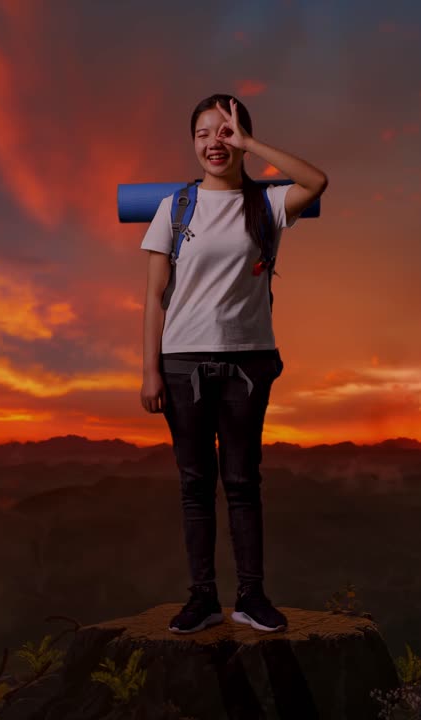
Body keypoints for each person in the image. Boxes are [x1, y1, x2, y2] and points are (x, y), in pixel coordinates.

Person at [139, 94, 328, 633]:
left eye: (225, 132)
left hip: (249, 361)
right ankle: (202, 598)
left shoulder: (266, 203)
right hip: (182, 362)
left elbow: (317, 182)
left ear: (241, 137)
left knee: (243, 481)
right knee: (195, 484)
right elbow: (154, 297)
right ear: (191, 142)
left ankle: (251, 596)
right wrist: (149, 370)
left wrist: (253, 146)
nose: (213, 144)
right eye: (203, 134)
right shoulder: (175, 208)